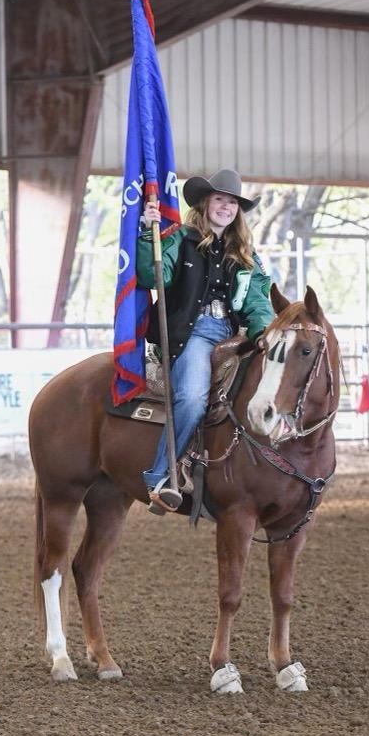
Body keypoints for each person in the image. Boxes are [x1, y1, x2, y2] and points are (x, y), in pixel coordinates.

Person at [136, 168, 273, 513]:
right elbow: (152, 274)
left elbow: (257, 301)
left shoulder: (244, 254)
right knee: (194, 398)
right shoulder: (179, 239)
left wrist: (263, 334)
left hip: (232, 336)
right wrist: (146, 234)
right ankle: (160, 475)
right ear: (205, 203)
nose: (226, 207)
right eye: (220, 200)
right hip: (192, 334)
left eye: (232, 203)